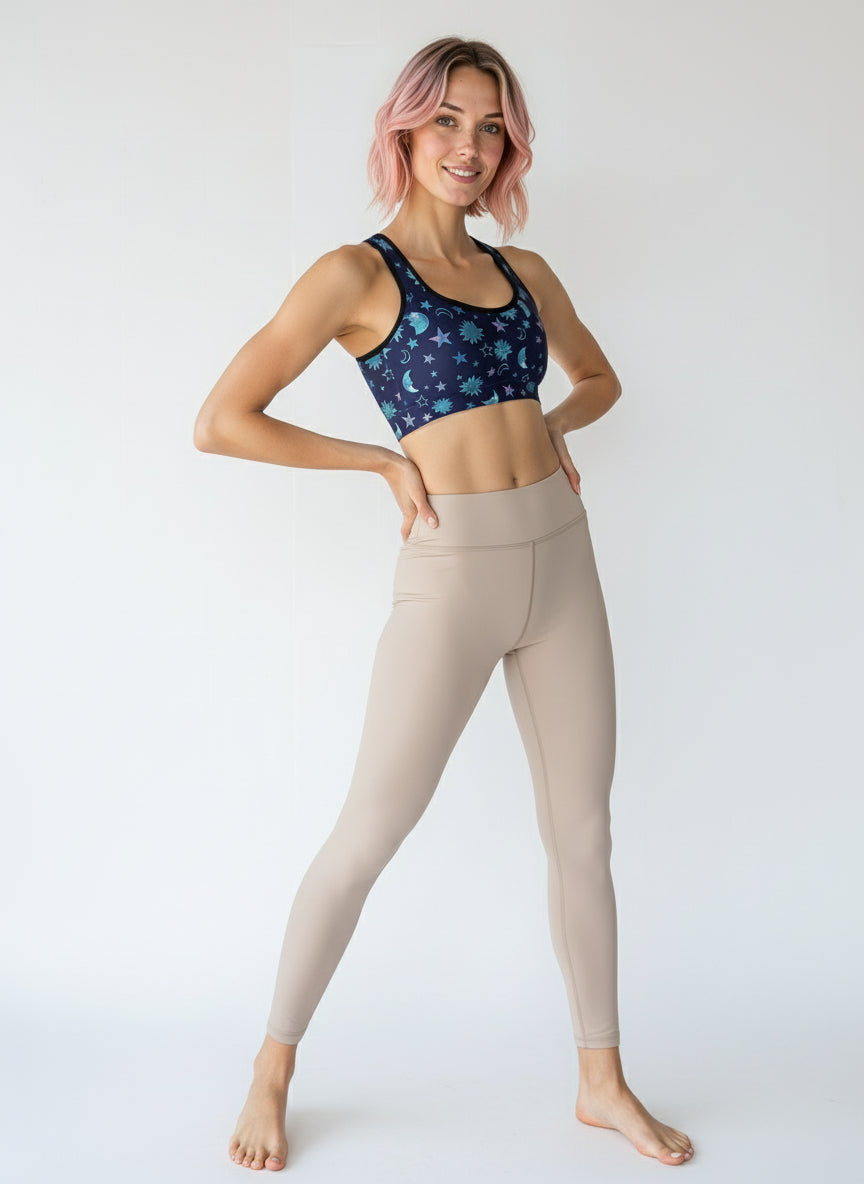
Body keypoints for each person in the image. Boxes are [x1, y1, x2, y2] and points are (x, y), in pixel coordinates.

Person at [194, 35, 694, 1172]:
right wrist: (377, 463)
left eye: (491, 127)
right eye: (448, 123)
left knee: (583, 832)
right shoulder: (358, 274)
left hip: (562, 556)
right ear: (405, 131)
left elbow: (600, 378)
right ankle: (272, 1065)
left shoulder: (528, 273)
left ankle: (600, 1079)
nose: (470, 147)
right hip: (453, 566)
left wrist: (557, 428)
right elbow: (225, 418)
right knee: (370, 831)